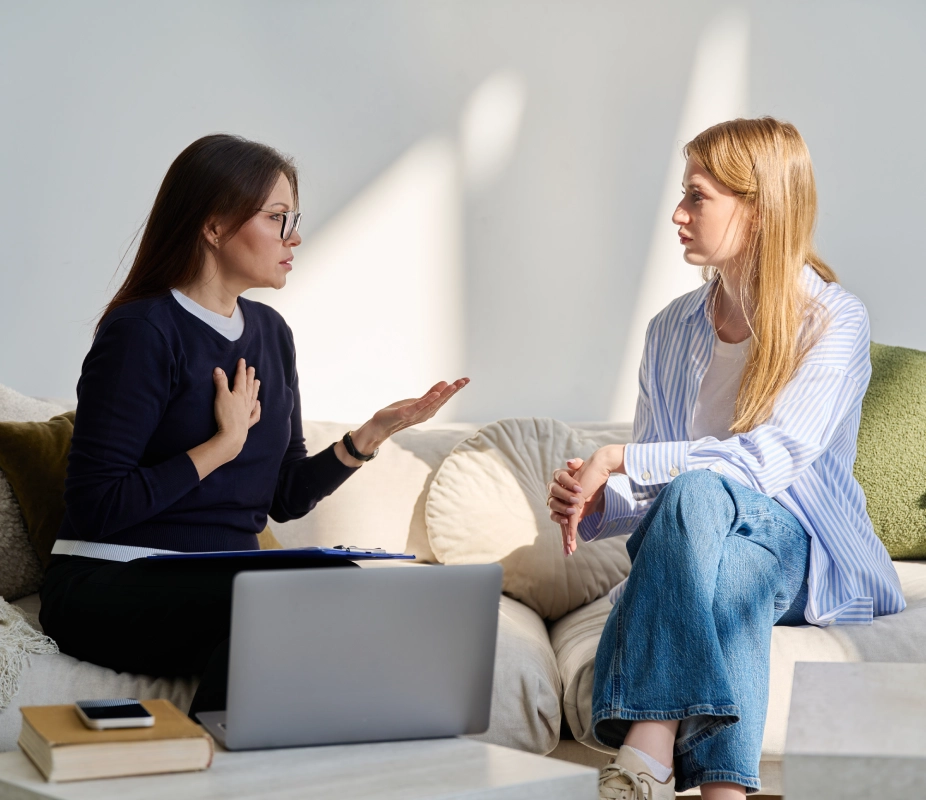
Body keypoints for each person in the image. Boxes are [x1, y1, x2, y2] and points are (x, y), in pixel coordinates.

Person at [39, 133, 469, 719]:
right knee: (292, 601)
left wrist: (369, 436)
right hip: (112, 578)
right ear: (213, 227)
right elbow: (96, 505)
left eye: (295, 218)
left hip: (226, 581)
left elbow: (282, 497)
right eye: (277, 217)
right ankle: (221, 770)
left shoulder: (270, 334)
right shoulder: (142, 333)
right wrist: (220, 447)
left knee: (346, 591)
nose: (295, 236)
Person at [545, 117, 904, 799]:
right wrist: (597, 506)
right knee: (714, 542)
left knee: (702, 487)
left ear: (760, 207)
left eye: (697, 197)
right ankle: (724, 794)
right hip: (721, 552)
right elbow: (660, 498)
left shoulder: (832, 320)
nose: (678, 215)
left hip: (801, 545)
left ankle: (648, 745)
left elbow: (769, 461)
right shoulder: (670, 329)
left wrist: (622, 457)